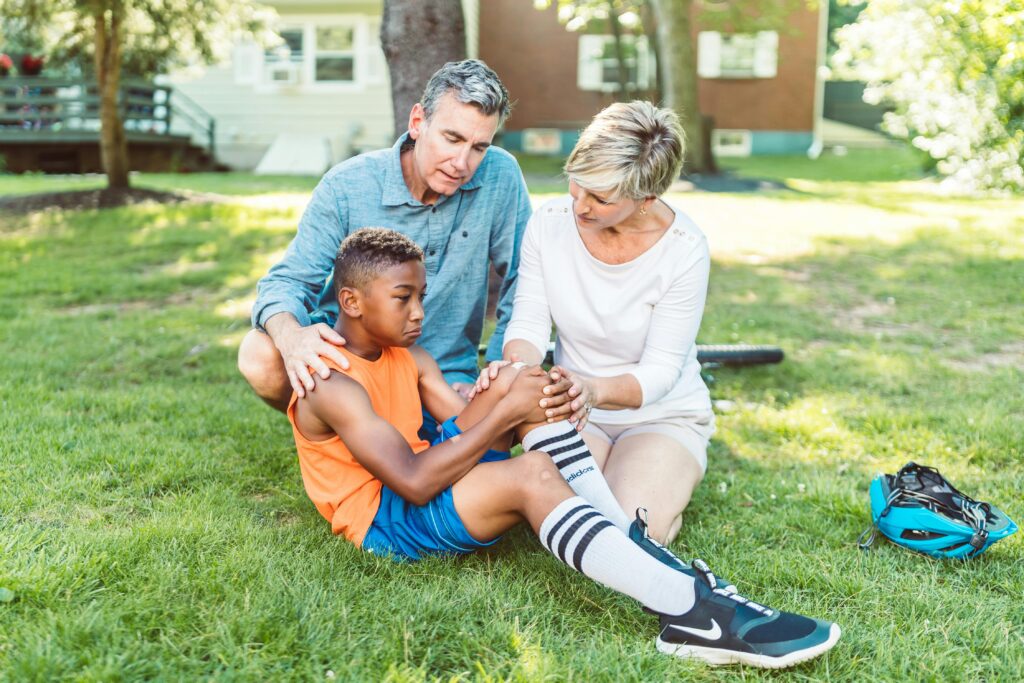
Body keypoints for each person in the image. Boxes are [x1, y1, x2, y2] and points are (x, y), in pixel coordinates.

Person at [288, 227, 841, 668]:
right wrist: (502, 414)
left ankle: (648, 560)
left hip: (426, 477)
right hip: (388, 519)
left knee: (525, 382)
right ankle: (687, 607)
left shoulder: (409, 357)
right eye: (403, 299)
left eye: (421, 297)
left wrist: (511, 394)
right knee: (531, 473)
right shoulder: (331, 384)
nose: (418, 314)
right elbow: (411, 479)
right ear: (351, 302)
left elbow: (465, 428)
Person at [476, 101, 714, 545]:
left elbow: (662, 370)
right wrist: (517, 368)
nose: (579, 205)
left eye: (601, 198)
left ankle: (663, 486)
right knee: (561, 517)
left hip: (660, 415)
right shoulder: (548, 223)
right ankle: (609, 471)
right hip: (573, 411)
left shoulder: (685, 250)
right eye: (578, 185)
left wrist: (593, 389)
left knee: (629, 534)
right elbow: (528, 319)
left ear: (647, 198)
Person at [237, 59, 532, 416]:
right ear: (418, 122)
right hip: (350, 368)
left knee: (499, 427)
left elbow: (526, 279)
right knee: (259, 353)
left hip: (445, 376)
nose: (461, 162)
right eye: (451, 139)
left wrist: (497, 370)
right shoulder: (348, 184)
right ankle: (333, 431)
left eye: (478, 147)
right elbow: (287, 281)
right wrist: (292, 338)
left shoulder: (500, 175)